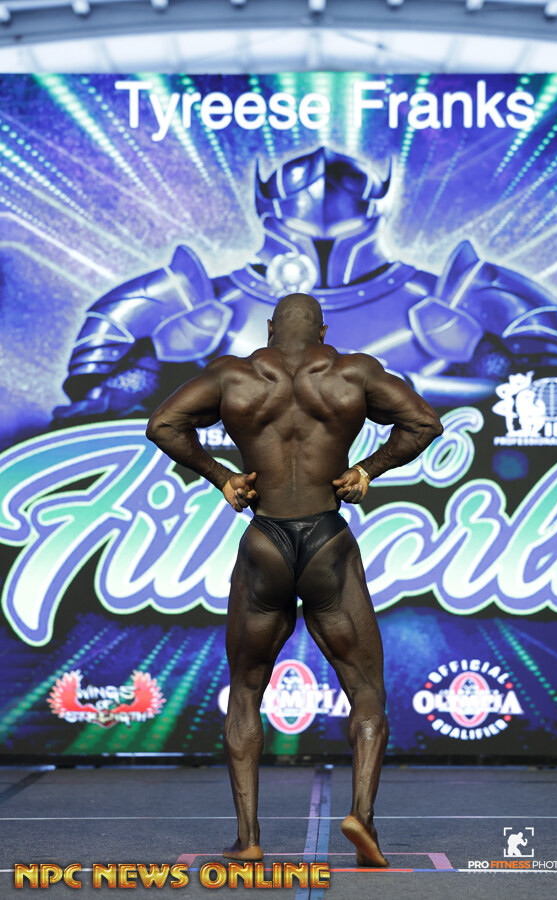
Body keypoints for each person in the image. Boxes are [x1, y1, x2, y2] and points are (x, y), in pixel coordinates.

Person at [146, 292, 443, 867]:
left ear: (269, 328)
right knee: (366, 692)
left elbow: (163, 424)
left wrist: (222, 476)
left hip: (266, 538)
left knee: (246, 691)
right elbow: (424, 423)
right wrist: (367, 469)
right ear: (323, 331)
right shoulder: (353, 372)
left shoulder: (233, 375)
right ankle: (362, 819)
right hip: (327, 539)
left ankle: (249, 838)